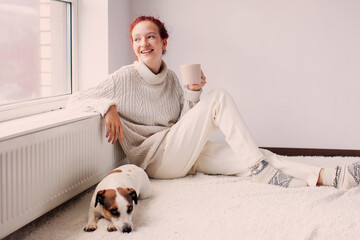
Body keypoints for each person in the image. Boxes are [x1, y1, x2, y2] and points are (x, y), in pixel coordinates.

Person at [67, 16, 360, 189]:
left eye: (151, 37)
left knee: (253, 155)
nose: (144, 43)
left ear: (163, 42)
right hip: (155, 160)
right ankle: (261, 170)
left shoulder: (170, 79)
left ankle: (328, 177)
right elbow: (75, 98)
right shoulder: (124, 77)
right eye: (137, 39)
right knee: (219, 98)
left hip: (179, 151)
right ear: (133, 46)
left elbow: (183, 124)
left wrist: (192, 94)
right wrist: (109, 107)